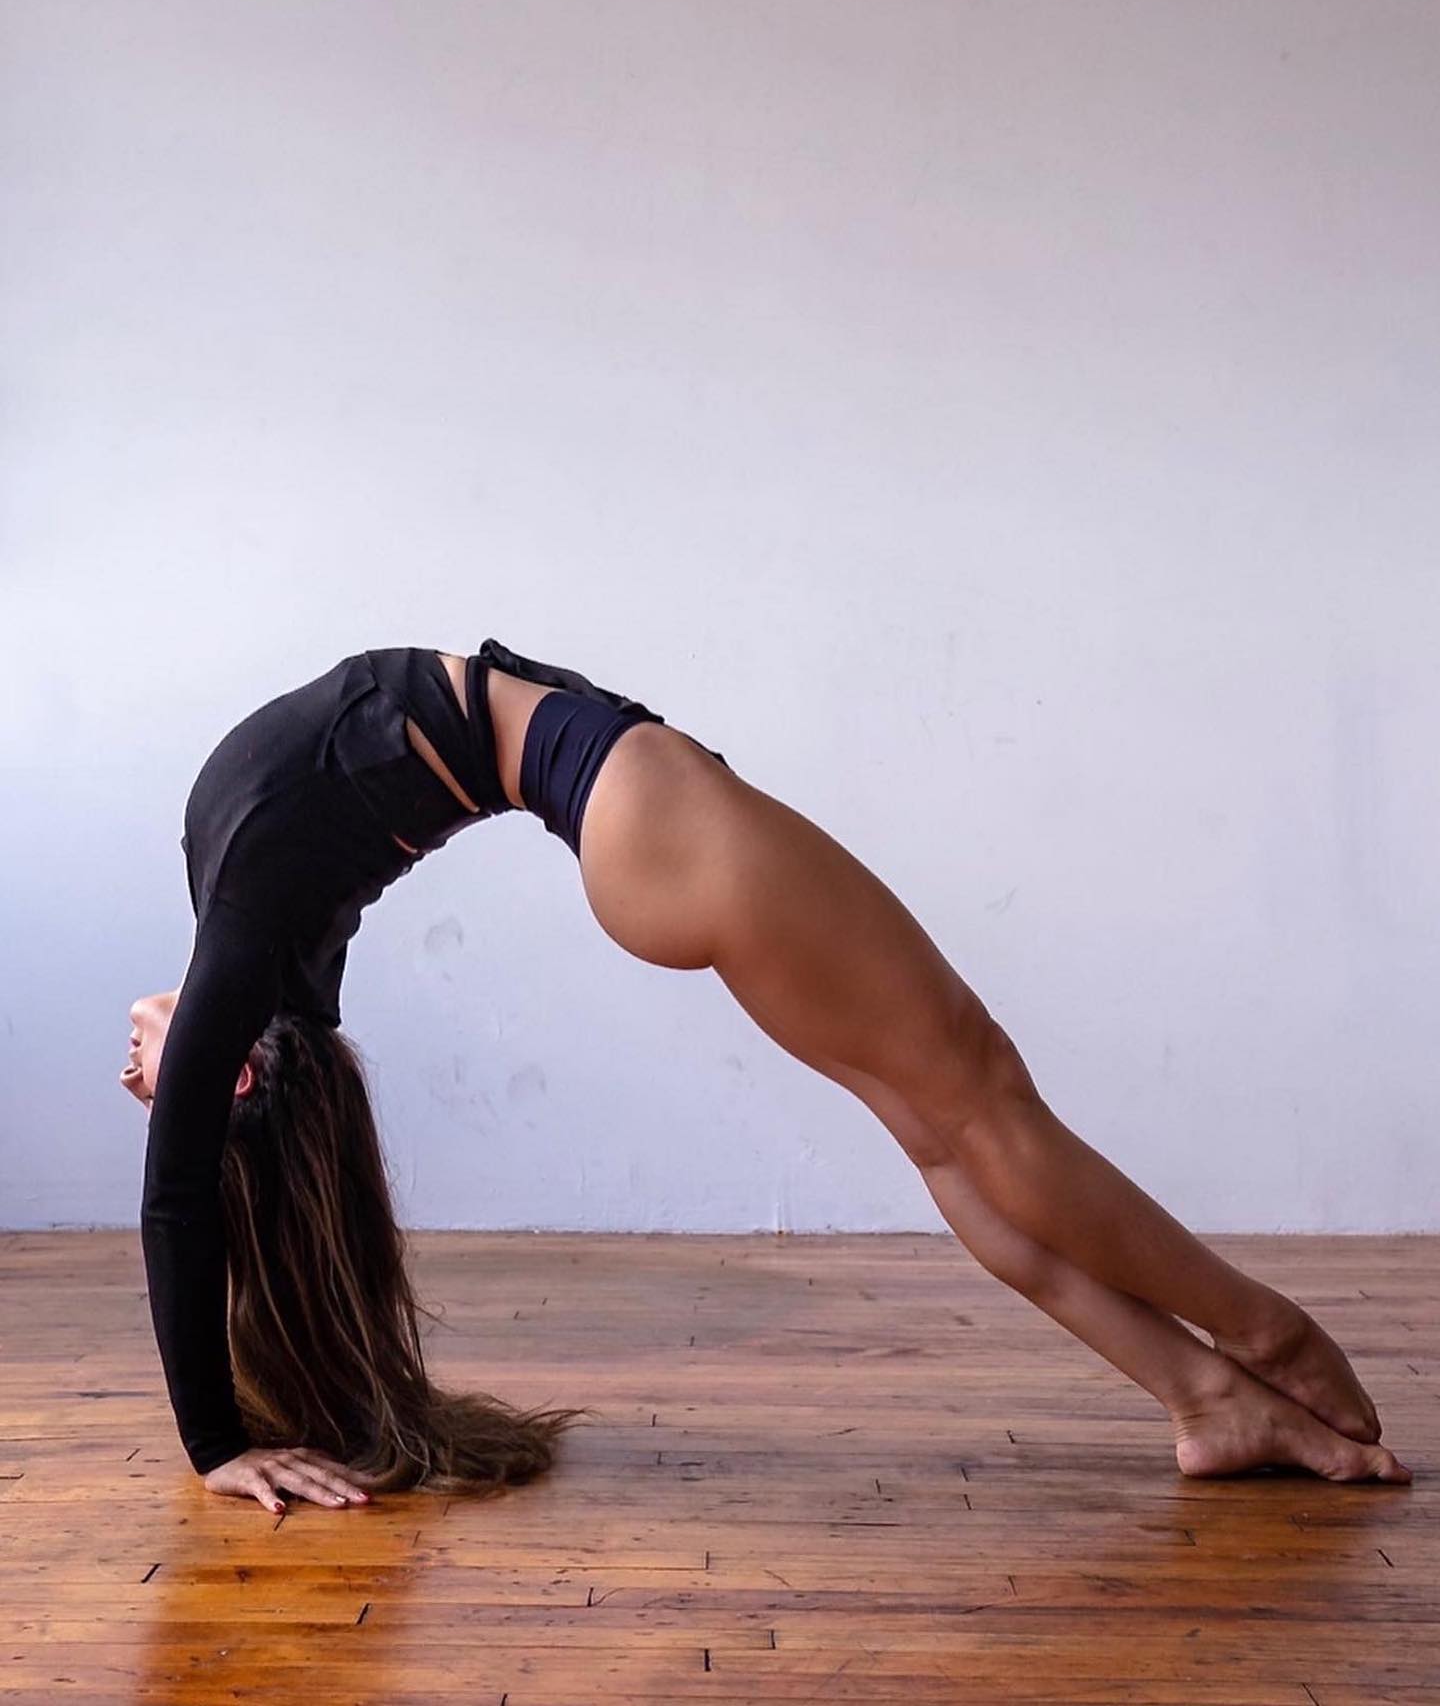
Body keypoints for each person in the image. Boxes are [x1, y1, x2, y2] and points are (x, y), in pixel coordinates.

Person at [121, 638, 1412, 1514]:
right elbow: (178, 1194)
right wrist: (214, 1444)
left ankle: (1205, 1399)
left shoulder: (267, 967)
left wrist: (203, 1067)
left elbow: (245, 1103)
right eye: (165, 1077)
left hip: (635, 827)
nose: (133, 1062)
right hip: (642, 817)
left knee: (947, 1137)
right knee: (984, 1102)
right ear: (232, 1082)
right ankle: (1268, 1336)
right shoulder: (242, 921)